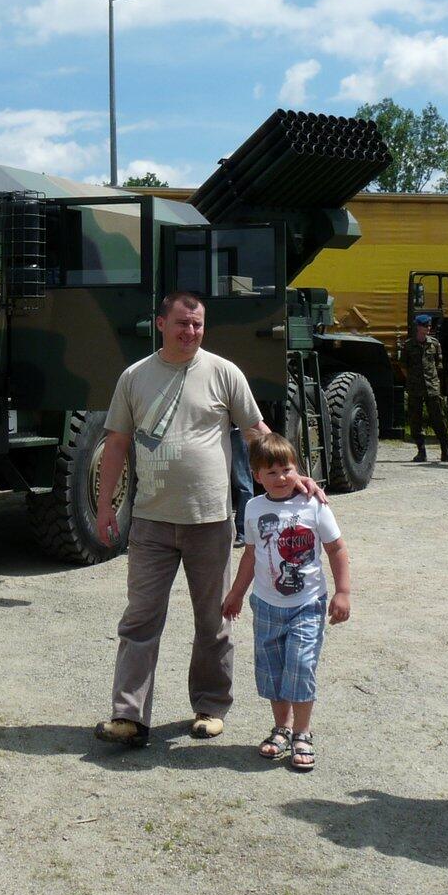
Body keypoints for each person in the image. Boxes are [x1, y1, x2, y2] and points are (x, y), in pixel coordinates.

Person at [92, 291, 314, 749]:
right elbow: (116, 444)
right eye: (181, 323)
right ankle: (129, 716)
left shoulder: (224, 372)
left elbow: (256, 432)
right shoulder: (134, 377)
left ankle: (210, 708)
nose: (190, 331)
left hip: (210, 520)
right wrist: (105, 504)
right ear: (161, 323)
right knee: (140, 620)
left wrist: (294, 475)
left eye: (197, 324)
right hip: (151, 520)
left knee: (213, 621)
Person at [221, 433, 350, 772]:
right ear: (256, 476)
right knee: (274, 670)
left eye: (287, 470)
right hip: (266, 605)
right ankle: (282, 728)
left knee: (301, 665)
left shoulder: (313, 504)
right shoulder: (253, 508)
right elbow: (251, 555)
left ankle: (303, 733)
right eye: (272, 472)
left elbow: (336, 548)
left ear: (298, 469)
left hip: (307, 604)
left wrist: (343, 591)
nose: (281, 478)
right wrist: (236, 593)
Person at [403, 315, 448, 463]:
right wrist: (413, 379)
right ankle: (421, 451)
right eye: (426, 325)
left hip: (432, 387)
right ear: (418, 327)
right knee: (415, 420)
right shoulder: (408, 345)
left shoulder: (434, 344)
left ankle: (445, 451)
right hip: (415, 388)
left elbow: (438, 365)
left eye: (430, 325)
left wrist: (433, 380)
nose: (429, 328)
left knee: (439, 419)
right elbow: (403, 366)